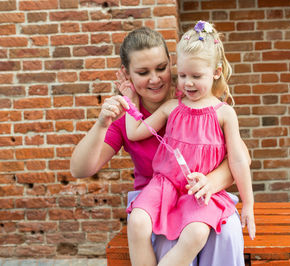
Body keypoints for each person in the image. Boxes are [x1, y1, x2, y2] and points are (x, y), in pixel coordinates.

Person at [70, 26, 250, 265]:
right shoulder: (129, 119)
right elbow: (80, 169)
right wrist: (103, 123)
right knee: (167, 240)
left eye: (162, 68)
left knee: (223, 233)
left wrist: (213, 181)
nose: (155, 79)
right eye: (143, 72)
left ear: (171, 64)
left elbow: (241, 156)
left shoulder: (193, 99)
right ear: (127, 74)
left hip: (200, 196)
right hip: (157, 201)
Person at [125, 21, 256, 266]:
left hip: (200, 191)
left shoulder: (224, 114)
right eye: (183, 75)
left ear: (216, 72)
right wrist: (130, 100)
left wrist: (248, 203)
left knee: (196, 233)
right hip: (165, 186)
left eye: (196, 76)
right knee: (137, 221)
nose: (188, 83)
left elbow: (238, 159)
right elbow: (135, 132)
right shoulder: (173, 107)